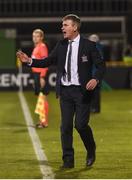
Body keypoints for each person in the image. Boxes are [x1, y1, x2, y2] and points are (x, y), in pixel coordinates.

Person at [17, 14, 105, 169]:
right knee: (65, 126)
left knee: (80, 125)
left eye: (65, 25)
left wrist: (96, 79)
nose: (62, 27)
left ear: (75, 27)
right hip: (65, 92)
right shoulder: (61, 45)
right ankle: (68, 160)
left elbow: (101, 66)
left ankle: (91, 149)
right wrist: (29, 61)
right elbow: (47, 61)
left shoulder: (89, 45)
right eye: (62, 25)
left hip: (82, 92)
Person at [31, 29, 49, 128]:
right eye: (34, 36)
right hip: (36, 74)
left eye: (37, 36)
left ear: (41, 37)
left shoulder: (42, 47)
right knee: (41, 98)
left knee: (43, 98)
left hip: (40, 74)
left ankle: (44, 122)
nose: (35, 38)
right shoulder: (37, 47)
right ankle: (42, 120)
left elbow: (45, 62)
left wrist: (42, 77)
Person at [88, 34, 104, 113]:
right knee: (96, 92)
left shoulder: (94, 48)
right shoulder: (99, 48)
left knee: (93, 92)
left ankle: (94, 108)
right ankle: (95, 108)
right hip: (97, 73)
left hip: (93, 73)